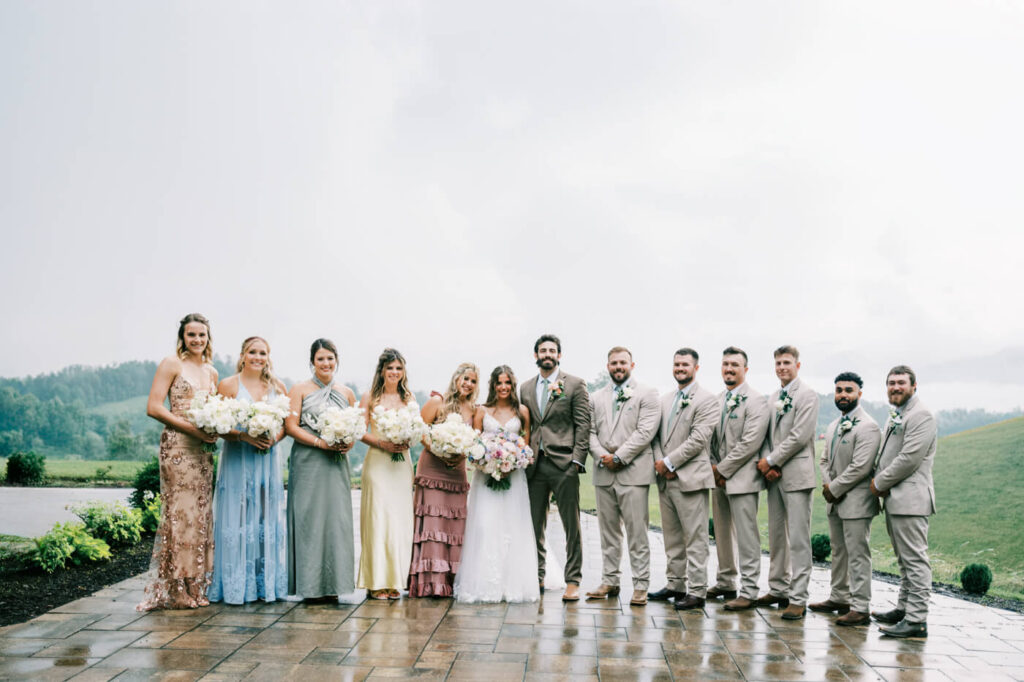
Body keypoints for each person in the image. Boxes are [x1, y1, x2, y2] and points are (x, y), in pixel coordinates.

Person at [138, 313, 219, 611]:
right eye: (191, 335)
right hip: (178, 447)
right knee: (178, 515)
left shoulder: (212, 372)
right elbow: (154, 407)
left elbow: (216, 410)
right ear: (182, 337)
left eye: (202, 335)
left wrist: (214, 430)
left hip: (203, 451)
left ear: (209, 338)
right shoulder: (172, 364)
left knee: (199, 516)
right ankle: (174, 587)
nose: (197, 340)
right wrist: (191, 429)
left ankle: (194, 582)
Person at [208, 336, 288, 604]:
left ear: (268, 356)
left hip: (267, 459)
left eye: (262, 353)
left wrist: (271, 439)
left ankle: (263, 583)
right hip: (238, 458)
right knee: (238, 517)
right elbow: (217, 425)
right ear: (242, 355)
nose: (257, 357)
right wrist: (244, 437)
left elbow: (286, 425)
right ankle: (234, 585)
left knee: (264, 519)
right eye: (252, 352)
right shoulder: (229, 385)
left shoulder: (277, 386)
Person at [455, 365, 539, 602]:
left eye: (507, 383)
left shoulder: (521, 411)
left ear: (513, 385)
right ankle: (483, 583)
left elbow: (526, 444)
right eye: (498, 383)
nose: (503, 387)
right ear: (492, 385)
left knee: (513, 526)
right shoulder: (482, 410)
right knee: (485, 524)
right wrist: (486, 459)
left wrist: (513, 460)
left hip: (513, 476)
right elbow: (475, 443)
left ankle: (512, 584)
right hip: (486, 477)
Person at [285, 338, 358, 601]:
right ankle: (310, 586)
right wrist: (320, 442)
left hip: (336, 463)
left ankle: (333, 585)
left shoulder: (347, 393)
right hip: (308, 461)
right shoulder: (300, 389)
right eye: (320, 359)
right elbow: (291, 427)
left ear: (336, 360)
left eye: (330, 358)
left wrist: (347, 441)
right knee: (309, 520)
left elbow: (355, 427)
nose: (326, 363)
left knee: (335, 521)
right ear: (312, 362)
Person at [586, 347, 659, 607]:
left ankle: (640, 584)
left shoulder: (647, 394)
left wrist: (619, 457)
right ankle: (610, 580)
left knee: (637, 532)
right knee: (607, 533)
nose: (618, 367)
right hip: (603, 472)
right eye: (614, 363)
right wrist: (602, 456)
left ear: (632, 364)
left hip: (633, 472)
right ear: (608, 366)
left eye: (623, 362)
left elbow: (645, 431)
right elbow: (589, 431)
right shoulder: (594, 397)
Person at [520, 334, 591, 602]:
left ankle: (573, 580)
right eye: (542, 350)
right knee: (534, 525)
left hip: (564, 465)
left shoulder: (574, 384)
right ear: (535, 355)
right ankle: (538, 574)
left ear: (559, 355)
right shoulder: (525, 388)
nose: (547, 354)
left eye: (552, 350)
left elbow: (583, 424)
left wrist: (577, 460)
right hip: (534, 466)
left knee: (571, 524)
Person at [810, 372, 881, 626]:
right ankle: (839, 597)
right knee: (839, 551)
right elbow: (824, 460)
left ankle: (860, 607)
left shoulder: (868, 426)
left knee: (858, 553)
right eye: (839, 390)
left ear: (859, 394)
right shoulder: (833, 426)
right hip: (835, 499)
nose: (843, 395)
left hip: (857, 501)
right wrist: (828, 484)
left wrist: (835, 488)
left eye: (848, 390)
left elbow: (861, 467)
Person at [870, 365, 936, 638]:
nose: (895, 387)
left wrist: (878, 483)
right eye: (891, 383)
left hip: (911, 499)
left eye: (901, 382)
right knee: (904, 560)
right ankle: (904, 609)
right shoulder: (898, 414)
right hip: (897, 500)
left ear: (914, 385)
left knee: (915, 560)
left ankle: (917, 619)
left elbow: (908, 459)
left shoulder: (921, 415)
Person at [650, 348, 719, 610]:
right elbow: (656, 436)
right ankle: (675, 583)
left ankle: (698, 590)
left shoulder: (707, 400)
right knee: (672, 536)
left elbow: (699, 439)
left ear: (696, 368)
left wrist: (669, 462)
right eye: (677, 364)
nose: (680, 368)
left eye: (685, 365)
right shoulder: (665, 399)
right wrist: (660, 463)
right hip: (666, 479)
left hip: (691, 478)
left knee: (695, 537)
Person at [755, 345, 820, 620]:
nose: (782, 367)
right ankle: (778, 588)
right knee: (777, 536)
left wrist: (771, 461)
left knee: (798, 538)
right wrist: (766, 463)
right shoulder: (772, 398)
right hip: (774, 477)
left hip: (796, 475)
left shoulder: (808, 395)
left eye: (787, 362)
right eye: (778, 363)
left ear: (798, 365)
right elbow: (764, 434)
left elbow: (800, 435)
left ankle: (798, 597)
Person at [705, 347, 770, 612]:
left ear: (745, 369)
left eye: (734, 365)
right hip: (717, 478)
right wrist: (712, 466)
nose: (729, 369)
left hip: (742, 478)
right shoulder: (717, 399)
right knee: (721, 533)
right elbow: (709, 436)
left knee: (746, 536)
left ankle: (750, 589)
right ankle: (726, 581)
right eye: (725, 364)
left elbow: (750, 442)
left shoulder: (756, 401)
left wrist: (723, 469)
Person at [409, 363, 480, 598]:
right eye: (465, 378)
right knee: (432, 526)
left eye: (473, 381)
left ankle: (450, 581)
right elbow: (419, 430)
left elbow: (475, 443)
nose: (468, 384)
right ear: (456, 378)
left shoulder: (474, 410)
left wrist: (460, 454)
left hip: (456, 470)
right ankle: (430, 582)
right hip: (433, 469)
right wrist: (438, 449)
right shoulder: (438, 402)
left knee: (453, 524)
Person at [357, 348, 416, 600]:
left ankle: (395, 581)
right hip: (378, 463)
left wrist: (407, 440)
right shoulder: (370, 396)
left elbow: (417, 430)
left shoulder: (410, 398)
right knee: (378, 518)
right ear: (382, 371)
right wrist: (382, 443)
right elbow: (358, 430)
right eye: (390, 368)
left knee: (399, 522)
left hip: (401, 465)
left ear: (403, 372)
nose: (394, 372)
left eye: (398, 368)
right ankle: (376, 582)